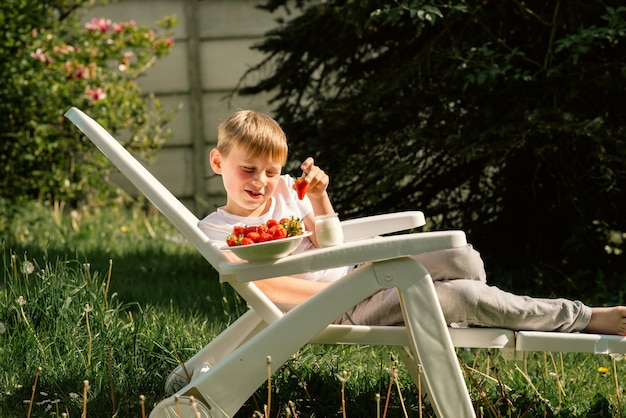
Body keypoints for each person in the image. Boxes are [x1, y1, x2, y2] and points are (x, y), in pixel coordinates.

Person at [198, 109, 626, 336]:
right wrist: (352, 287)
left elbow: (329, 243)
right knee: (460, 295)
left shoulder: (288, 192)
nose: (261, 182)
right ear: (219, 161)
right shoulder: (215, 230)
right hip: (338, 305)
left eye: (271, 172)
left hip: (359, 275)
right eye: (249, 169)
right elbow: (265, 287)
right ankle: (585, 317)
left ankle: (468, 303)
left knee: (462, 257)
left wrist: (318, 196)